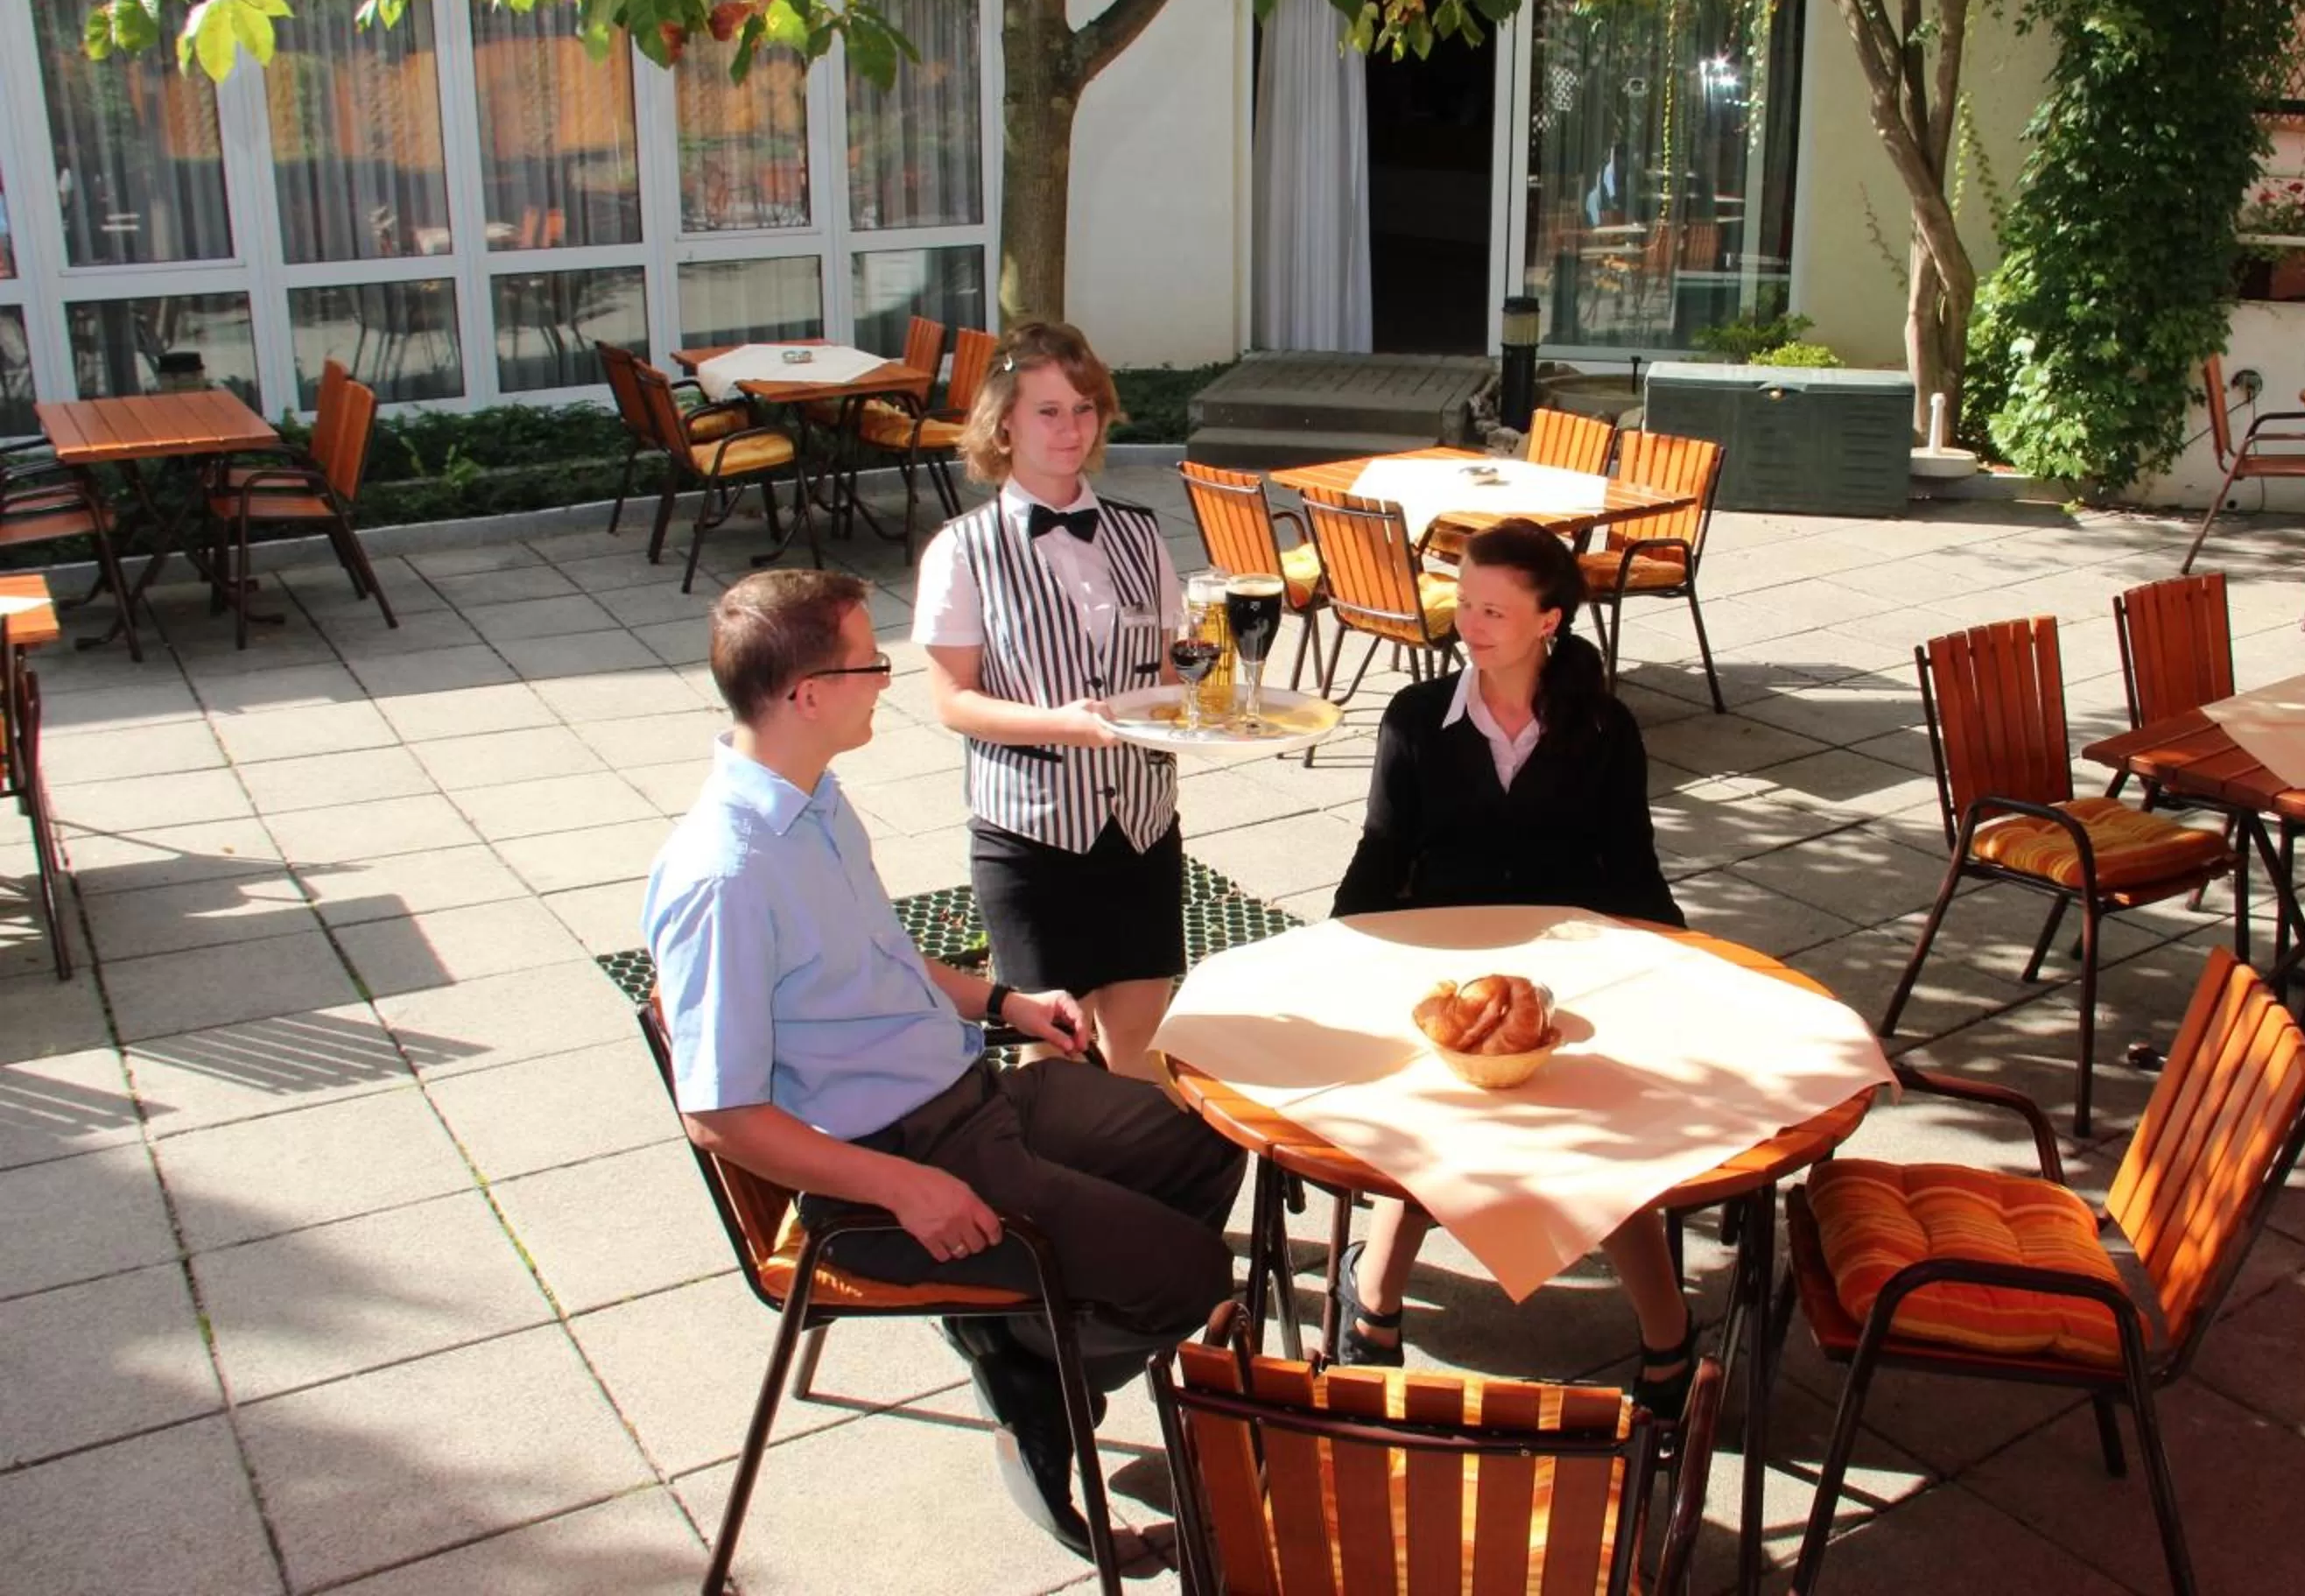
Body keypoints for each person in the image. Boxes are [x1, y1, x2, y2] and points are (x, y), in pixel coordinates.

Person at [643, 567, 1243, 1560]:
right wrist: (906, 1188)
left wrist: (1005, 1001)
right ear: (806, 693)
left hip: (968, 1096)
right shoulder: (725, 873)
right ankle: (1040, 1381)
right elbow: (719, 1113)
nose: (888, 675)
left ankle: (1032, 1351)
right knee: (1194, 1271)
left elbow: (874, 956)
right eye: (868, 659)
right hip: (895, 1163)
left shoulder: (814, 799)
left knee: (1204, 1134)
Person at [1327, 517, 1698, 1418]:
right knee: (1430, 1123)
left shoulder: (1605, 726)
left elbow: (1632, 863)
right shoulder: (1417, 717)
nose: (1470, 622)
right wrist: (1337, 944)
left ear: (1550, 620)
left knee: (1608, 1142)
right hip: (1445, 970)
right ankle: (1373, 1297)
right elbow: (1382, 852)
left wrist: (1683, 959)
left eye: (1494, 608)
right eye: (1463, 602)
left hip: (1567, 978)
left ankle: (1666, 1335)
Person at [913, 321, 1189, 1071]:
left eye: (1084, 408)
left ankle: (1149, 1188)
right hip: (1032, 842)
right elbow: (952, 701)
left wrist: (1206, 710)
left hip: (1140, 830)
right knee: (1054, 1061)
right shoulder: (960, 551)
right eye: (1047, 410)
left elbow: (1167, 676)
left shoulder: (1140, 534)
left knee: (1141, 1051)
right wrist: (1056, 726)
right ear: (1004, 422)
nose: (1071, 428)